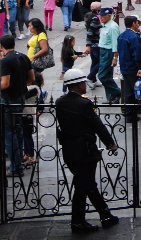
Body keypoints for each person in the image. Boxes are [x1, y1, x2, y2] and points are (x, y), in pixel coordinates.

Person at [55, 69, 119, 233]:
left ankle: (104, 215)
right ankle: (79, 222)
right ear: (78, 85)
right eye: (84, 82)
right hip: (85, 151)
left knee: (84, 184)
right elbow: (98, 126)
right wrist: (111, 143)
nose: (86, 85)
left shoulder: (60, 102)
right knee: (85, 185)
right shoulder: (84, 104)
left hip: (69, 151)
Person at [0, 34, 34, 177]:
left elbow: (5, 84)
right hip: (20, 98)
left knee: (9, 133)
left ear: (1, 46)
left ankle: (15, 167)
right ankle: (19, 161)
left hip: (9, 100)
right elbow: (31, 78)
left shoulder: (6, 61)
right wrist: (21, 86)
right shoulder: (23, 57)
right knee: (18, 129)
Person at [117, 15, 141, 123]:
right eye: (137, 23)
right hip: (134, 68)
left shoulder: (121, 36)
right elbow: (138, 54)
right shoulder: (134, 37)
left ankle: (130, 115)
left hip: (125, 68)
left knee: (129, 92)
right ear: (133, 23)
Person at [97, 7, 121, 103]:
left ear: (109, 16)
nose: (100, 18)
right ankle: (111, 98)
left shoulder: (112, 27)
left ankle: (117, 92)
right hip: (103, 51)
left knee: (102, 76)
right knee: (107, 76)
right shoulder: (105, 25)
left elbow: (115, 43)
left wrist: (115, 57)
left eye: (102, 16)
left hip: (108, 52)